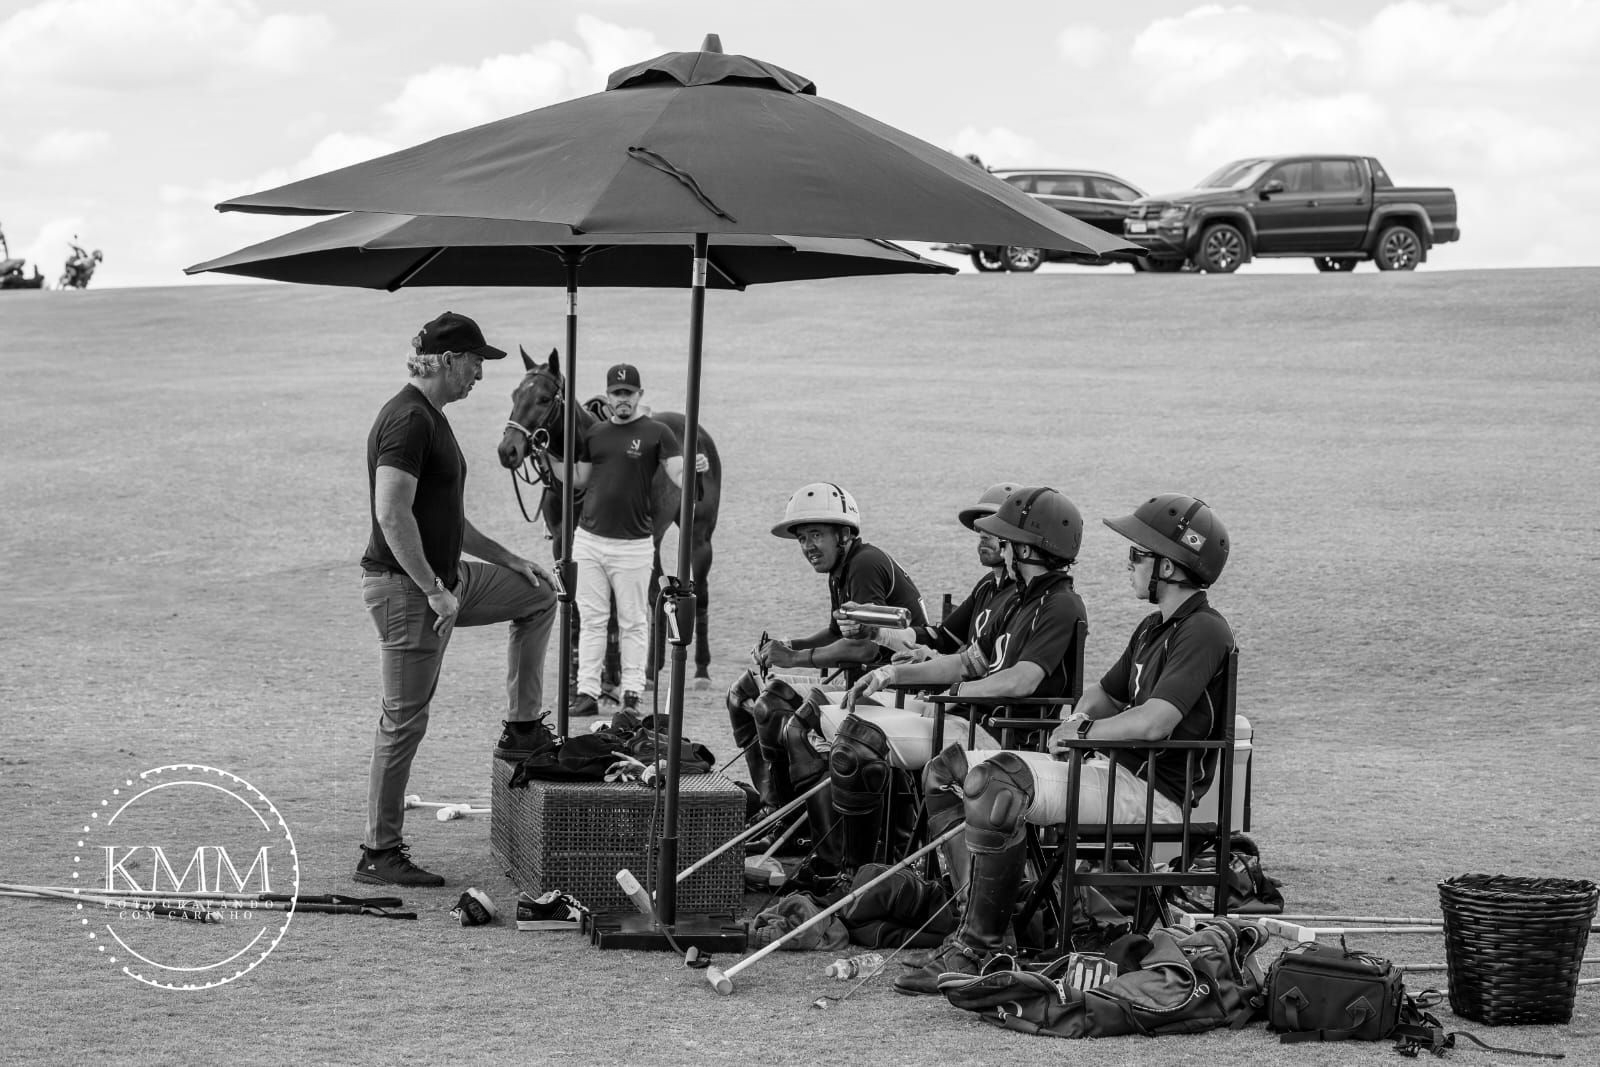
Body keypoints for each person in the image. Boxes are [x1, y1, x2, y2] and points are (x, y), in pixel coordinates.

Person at [894, 493, 1233, 995]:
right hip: (1114, 773)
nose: (1130, 563)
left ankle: (982, 950)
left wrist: (1085, 733)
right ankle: (980, 923)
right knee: (947, 770)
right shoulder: (1154, 626)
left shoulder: (1205, 630)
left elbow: (1157, 722)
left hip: (1154, 795)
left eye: (1139, 554)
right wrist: (1076, 720)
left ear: (1171, 565)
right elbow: (1105, 693)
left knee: (995, 783)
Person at [357, 311, 560, 887]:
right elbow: (392, 513)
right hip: (409, 590)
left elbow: (448, 519)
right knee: (404, 721)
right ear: (448, 361)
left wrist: (511, 561)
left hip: (448, 580)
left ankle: (523, 727)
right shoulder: (407, 421)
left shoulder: (434, 417)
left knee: (537, 595)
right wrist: (433, 591)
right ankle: (379, 851)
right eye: (475, 362)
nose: (479, 375)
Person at [837, 486, 1088, 884]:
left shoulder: (1059, 603)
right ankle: (865, 872)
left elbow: (1024, 680)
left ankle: (962, 891)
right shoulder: (1018, 599)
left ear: (1025, 549)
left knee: (870, 743)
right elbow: (965, 661)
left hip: (1010, 738)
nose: (1000, 547)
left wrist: (954, 694)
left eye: (1007, 541)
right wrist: (890, 674)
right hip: (978, 724)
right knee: (860, 735)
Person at [724, 483, 927, 861]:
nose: (808, 547)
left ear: (845, 533)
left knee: (780, 712)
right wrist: (788, 646)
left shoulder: (864, 564)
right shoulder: (845, 567)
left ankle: (815, 845)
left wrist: (795, 658)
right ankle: (779, 814)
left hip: (895, 691)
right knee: (748, 696)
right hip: (868, 686)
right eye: (802, 539)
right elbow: (837, 634)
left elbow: (864, 647)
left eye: (816, 535)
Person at [553, 363, 706, 718]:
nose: (623, 399)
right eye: (617, 393)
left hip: (634, 544)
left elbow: (677, 471)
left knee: (633, 619)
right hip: (589, 540)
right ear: (608, 397)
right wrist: (548, 458)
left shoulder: (657, 432)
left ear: (639, 395)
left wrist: (694, 469)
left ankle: (632, 692)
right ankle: (587, 691)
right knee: (591, 618)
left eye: (629, 393)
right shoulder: (596, 435)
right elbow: (579, 477)